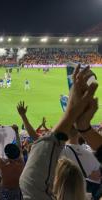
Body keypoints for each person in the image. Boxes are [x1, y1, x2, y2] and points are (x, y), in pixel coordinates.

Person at [19, 65, 99, 199]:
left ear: (55, 183)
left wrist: (75, 116)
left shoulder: (63, 152)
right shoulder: (90, 156)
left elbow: (31, 183)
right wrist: (81, 123)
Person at [61, 127, 101, 198]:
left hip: (73, 186)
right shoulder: (87, 152)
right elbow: (96, 176)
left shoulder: (61, 150)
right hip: (90, 185)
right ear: (79, 133)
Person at [0, 126, 24, 200]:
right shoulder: (21, 163)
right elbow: (19, 148)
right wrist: (16, 132)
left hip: (4, 193)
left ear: (7, 154)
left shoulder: (2, 165)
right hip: (18, 192)